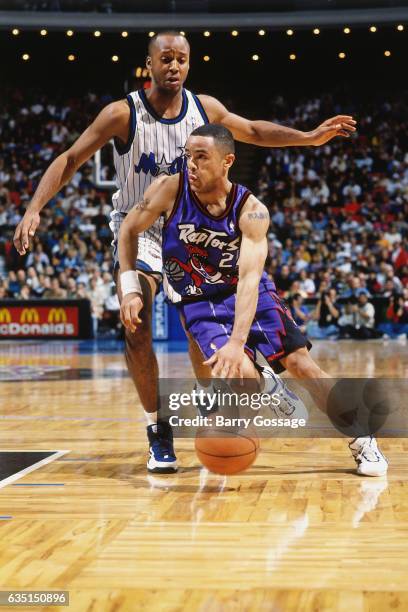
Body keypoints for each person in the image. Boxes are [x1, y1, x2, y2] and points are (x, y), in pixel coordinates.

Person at [13, 30, 357, 473]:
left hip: (191, 231)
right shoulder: (123, 114)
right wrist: (35, 207)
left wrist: (308, 138)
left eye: (181, 59)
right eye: (166, 59)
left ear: (189, 64)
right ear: (149, 65)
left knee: (199, 333)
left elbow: (252, 131)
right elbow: (71, 158)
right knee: (135, 324)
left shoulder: (205, 108)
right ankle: (157, 425)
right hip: (140, 230)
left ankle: (219, 408)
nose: (174, 66)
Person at [118, 124, 388, 477]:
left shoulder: (252, 210)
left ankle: (361, 438)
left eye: (202, 157)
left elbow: (248, 280)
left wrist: (236, 341)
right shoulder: (168, 189)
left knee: (302, 366)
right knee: (242, 376)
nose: (192, 166)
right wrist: (130, 287)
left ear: (228, 161)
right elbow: (127, 230)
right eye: (188, 157)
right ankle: (266, 383)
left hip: (250, 293)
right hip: (201, 302)